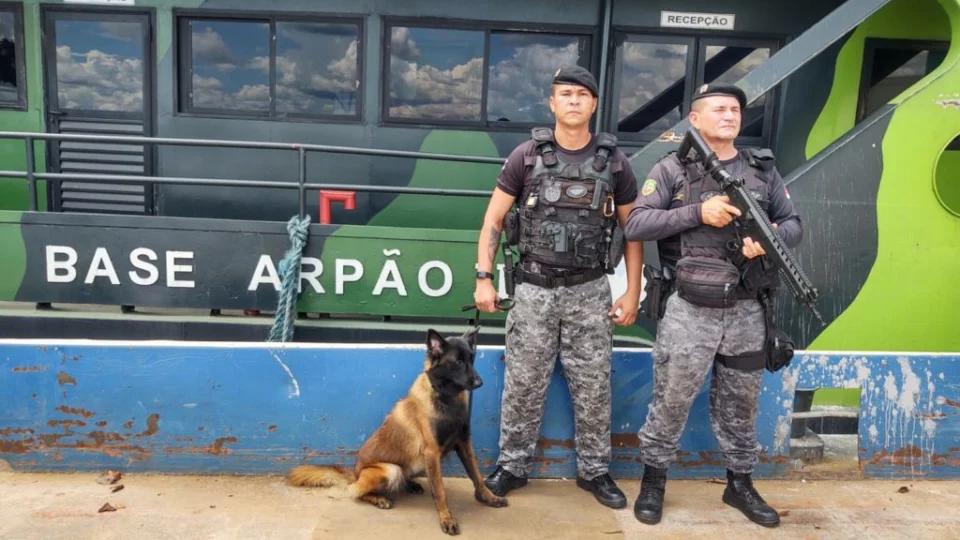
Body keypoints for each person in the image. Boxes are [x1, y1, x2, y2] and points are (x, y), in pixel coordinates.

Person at [623, 83, 803, 528]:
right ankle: (653, 481)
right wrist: (697, 214)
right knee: (671, 399)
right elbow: (637, 224)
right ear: (695, 119)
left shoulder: (762, 171)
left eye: (736, 110)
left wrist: (768, 240)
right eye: (719, 108)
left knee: (742, 404)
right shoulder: (671, 169)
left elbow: (794, 224)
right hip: (689, 309)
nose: (730, 115)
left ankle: (739, 484)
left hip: (747, 309)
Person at [472, 66, 644, 509]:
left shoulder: (616, 163)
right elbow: (492, 221)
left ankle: (595, 471)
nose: (573, 100)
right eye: (565, 94)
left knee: (593, 384)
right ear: (552, 103)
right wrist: (483, 277)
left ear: (593, 105)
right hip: (533, 289)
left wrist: (632, 291)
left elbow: (634, 231)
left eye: (582, 94)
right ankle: (512, 466)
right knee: (523, 383)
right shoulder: (526, 156)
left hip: (589, 291)